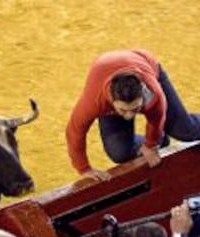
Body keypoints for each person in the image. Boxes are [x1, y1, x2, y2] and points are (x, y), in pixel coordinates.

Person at [66, 49, 200, 181]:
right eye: (123, 110)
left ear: (143, 94)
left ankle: (159, 139)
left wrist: (151, 144)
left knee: (185, 131)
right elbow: (74, 131)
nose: (129, 116)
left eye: (135, 109)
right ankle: (162, 140)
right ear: (111, 100)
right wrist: (84, 168)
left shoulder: (153, 93)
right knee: (119, 152)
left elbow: (158, 118)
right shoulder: (94, 101)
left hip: (145, 63)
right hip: (107, 72)